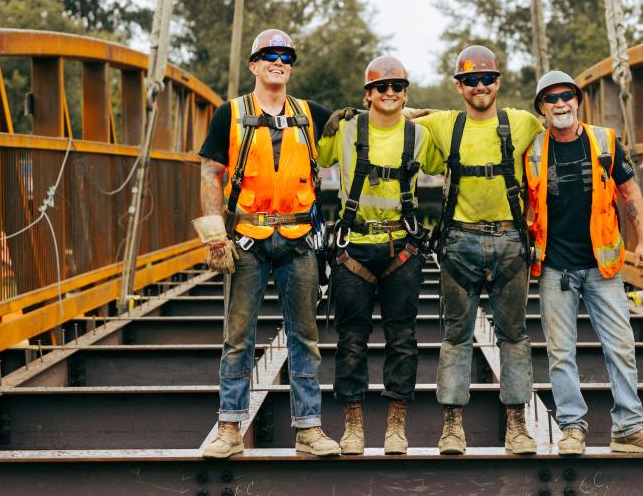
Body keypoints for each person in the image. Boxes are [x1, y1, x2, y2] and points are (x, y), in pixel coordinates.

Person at [194, 28, 340, 458]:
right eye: (269, 55)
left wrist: (404, 113)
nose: (279, 62)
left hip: (299, 238)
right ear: (254, 65)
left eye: (286, 56)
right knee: (238, 335)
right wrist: (215, 236)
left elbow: (360, 134)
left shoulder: (312, 114)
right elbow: (209, 172)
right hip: (246, 239)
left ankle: (309, 430)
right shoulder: (230, 113)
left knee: (305, 337)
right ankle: (229, 428)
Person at [524, 69, 643, 456]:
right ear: (541, 108)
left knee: (620, 346)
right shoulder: (533, 150)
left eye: (566, 96)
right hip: (555, 268)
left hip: (601, 267)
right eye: (551, 99)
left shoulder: (604, 141)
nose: (560, 104)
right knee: (560, 353)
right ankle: (572, 427)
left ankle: (628, 428)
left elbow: (629, 190)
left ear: (577, 100)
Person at [416, 45, 542, 455]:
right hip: (460, 243)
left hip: (510, 243)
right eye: (470, 81)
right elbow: (395, 111)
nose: (480, 86)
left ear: (499, 82)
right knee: (456, 336)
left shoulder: (521, 123)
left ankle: (517, 426)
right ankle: (452, 428)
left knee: (515, 336)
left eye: (487, 79)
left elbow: (562, 133)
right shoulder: (444, 125)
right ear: (459, 87)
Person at [316, 56, 443, 455]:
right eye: (382, 88)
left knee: (402, 339)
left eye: (398, 88)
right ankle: (353, 425)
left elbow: (455, 136)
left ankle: (396, 426)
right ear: (367, 94)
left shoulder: (420, 135)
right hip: (353, 249)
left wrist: (421, 114)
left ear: (406, 93)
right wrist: (330, 120)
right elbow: (316, 155)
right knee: (350, 340)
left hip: (400, 249)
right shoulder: (346, 129)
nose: (390, 93)